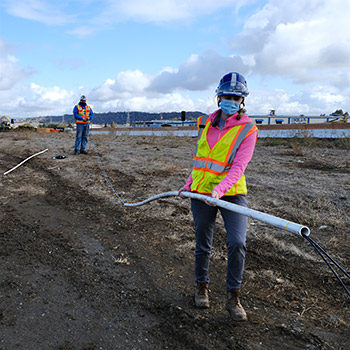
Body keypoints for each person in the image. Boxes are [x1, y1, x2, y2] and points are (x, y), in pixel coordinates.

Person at [179, 72, 258, 322]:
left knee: (237, 243)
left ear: (242, 100)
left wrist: (220, 190)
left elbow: (239, 166)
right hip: (201, 193)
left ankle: (233, 297)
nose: (230, 100)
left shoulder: (248, 129)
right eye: (227, 96)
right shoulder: (205, 123)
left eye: (236, 97)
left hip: (231, 194)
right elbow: (200, 159)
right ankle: (201, 287)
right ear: (218, 96)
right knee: (203, 242)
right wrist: (189, 184)